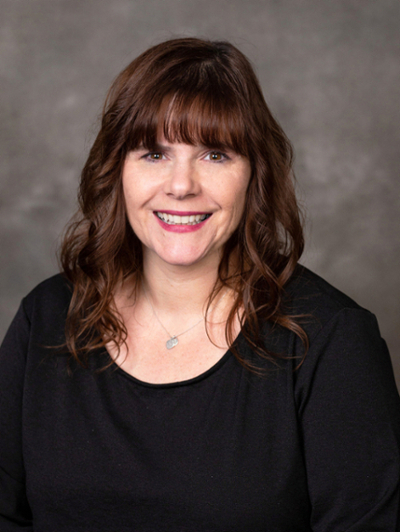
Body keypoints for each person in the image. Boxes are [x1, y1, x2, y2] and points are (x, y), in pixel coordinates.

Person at [0, 37, 399, 532]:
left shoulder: (332, 341)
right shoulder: (47, 316)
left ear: (254, 174)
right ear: (117, 170)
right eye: (153, 154)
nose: (182, 185)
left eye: (215, 155)